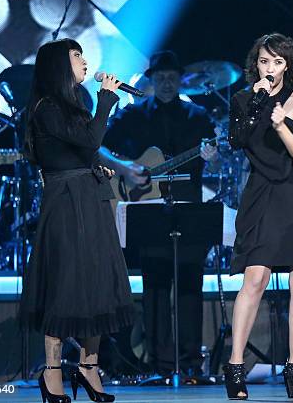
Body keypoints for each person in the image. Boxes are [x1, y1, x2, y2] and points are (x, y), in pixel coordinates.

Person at [19, 38, 135, 403]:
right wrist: (106, 98)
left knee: (98, 283)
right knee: (65, 285)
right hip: (66, 204)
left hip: (90, 198)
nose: (85, 61)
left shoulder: (73, 105)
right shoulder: (46, 107)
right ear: (58, 65)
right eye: (77, 55)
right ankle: (51, 373)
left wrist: (90, 166)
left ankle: (90, 367)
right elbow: (88, 140)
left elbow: (81, 150)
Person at [99, 50, 219, 376]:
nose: (166, 83)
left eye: (172, 77)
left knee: (190, 286)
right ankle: (161, 365)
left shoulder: (199, 116)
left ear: (181, 80)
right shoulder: (133, 115)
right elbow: (100, 146)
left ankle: (192, 365)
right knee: (154, 289)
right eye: (160, 78)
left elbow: (216, 156)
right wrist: (124, 170)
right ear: (152, 80)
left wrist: (212, 157)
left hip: (188, 209)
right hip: (147, 211)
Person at [224, 33, 293, 400]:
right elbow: (237, 140)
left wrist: (281, 123)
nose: (270, 69)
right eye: (265, 61)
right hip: (263, 195)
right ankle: (235, 366)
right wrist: (257, 104)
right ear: (257, 64)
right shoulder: (243, 99)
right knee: (255, 278)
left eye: (278, 63)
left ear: (289, 66)